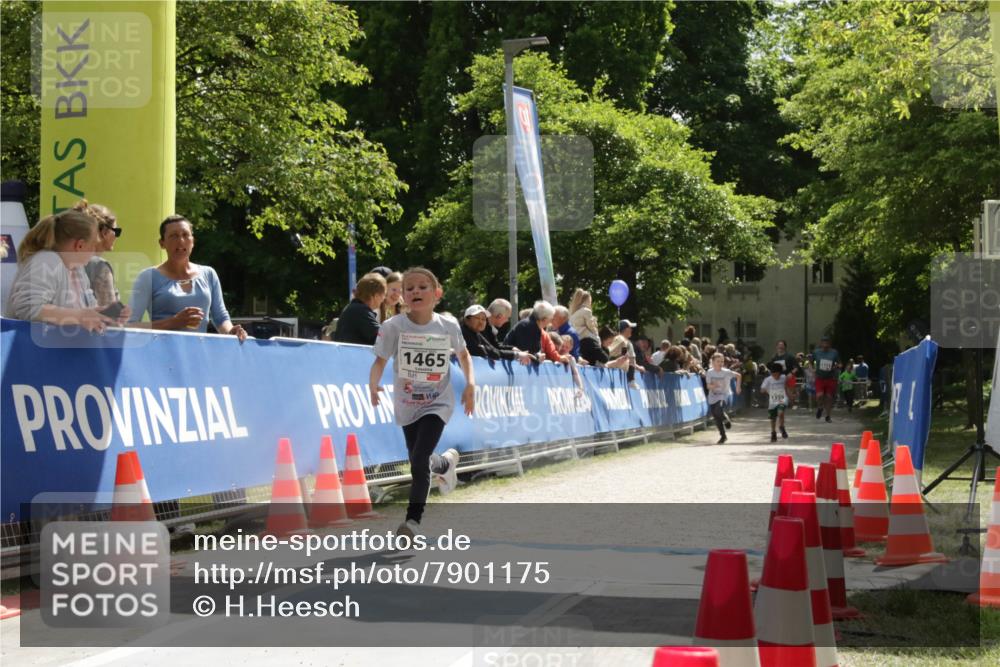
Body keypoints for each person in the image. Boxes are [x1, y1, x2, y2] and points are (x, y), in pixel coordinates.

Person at [369, 267, 472, 539]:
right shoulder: (393, 327)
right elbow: (379, 360)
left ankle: (412, 522)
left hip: (438, 401)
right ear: (402, 296)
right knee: (420, 458)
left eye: (422, 287)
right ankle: (445, 464)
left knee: (417, 461)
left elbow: (463, 354)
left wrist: (470, 384)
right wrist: (373, 383)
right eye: (410, 288)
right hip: (407, 403)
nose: (416, 291)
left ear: (437, 294)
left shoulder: (448, 326)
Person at [5, 209, 126, 332]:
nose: (95, 252)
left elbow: (83, 312)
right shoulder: (47, 260)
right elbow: (27, 307)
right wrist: (79, 316)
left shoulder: (78, 270)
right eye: (94, 245)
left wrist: (103, 314)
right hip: (29, 349)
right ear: (80, 245)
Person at [129, 215, 247, 341]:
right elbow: (130, 326)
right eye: (173, 236)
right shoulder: (148, 277)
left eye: (185, 235)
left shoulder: (209, 274)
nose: (181, 241)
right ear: (162, 243)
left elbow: (221, 318)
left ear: (193, 241)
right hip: (162, 355)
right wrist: (173, 322)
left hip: (198, 355)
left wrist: (231, 331)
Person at [75, 200, 123, 308]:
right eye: (117, 231)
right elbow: (110, 315)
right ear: (105, 232)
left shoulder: (68, 262)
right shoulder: (99, 266)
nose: (116, 236)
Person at [460, 304, 532, 364]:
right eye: (477, 318)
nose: (481, 322)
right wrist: (517, 355)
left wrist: (515, 352)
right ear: (467, 320)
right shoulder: (463, 333)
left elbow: (494, 351)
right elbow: (482, 351)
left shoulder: (477, 334)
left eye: (483, 319)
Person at [333, 272, 386, 345]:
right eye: (384, 295)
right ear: (376, 296)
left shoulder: (354, 308)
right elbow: (383, 336)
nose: (384, 299)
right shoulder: (360, 311)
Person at [704, 352, 741, 444]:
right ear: (713, 362)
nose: (720, 363)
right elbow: (708, 386)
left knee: (718, 409)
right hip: (713, 396)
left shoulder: (726, 372)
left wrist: (738, 387)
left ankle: (725, 419)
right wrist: (713, 385)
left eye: (722, 361)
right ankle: (723, 436)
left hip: (723, 395)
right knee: (716, 416)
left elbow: (738, 376)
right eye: (718, 361)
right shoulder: (709, 372)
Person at [813, 335, 841, 422]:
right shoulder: (816, 352)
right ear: (821, 343)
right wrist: (812, 370)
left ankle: (828, 416)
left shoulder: (834, 353)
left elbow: (840, 364)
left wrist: (835, 366)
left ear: (829, 343)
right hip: (820, 378)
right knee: (819, 395)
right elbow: (809, 362)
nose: (825, 344)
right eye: (823, 342)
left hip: (830, 378)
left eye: (827, 342)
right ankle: (820, 407)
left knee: (829, 397)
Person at [760, 363, 789, 442]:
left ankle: (782, 427)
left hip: (782, 399)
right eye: (773, 375)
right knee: (773, 418)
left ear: (780, 373)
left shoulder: (784, 378)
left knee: (781, 413)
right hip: (772, 401)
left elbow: (788, 384)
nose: (775, 376)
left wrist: (790, 394)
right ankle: (773, 432)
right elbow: (762, 389)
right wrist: (766, 390)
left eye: (777, 375)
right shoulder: (768, 379)